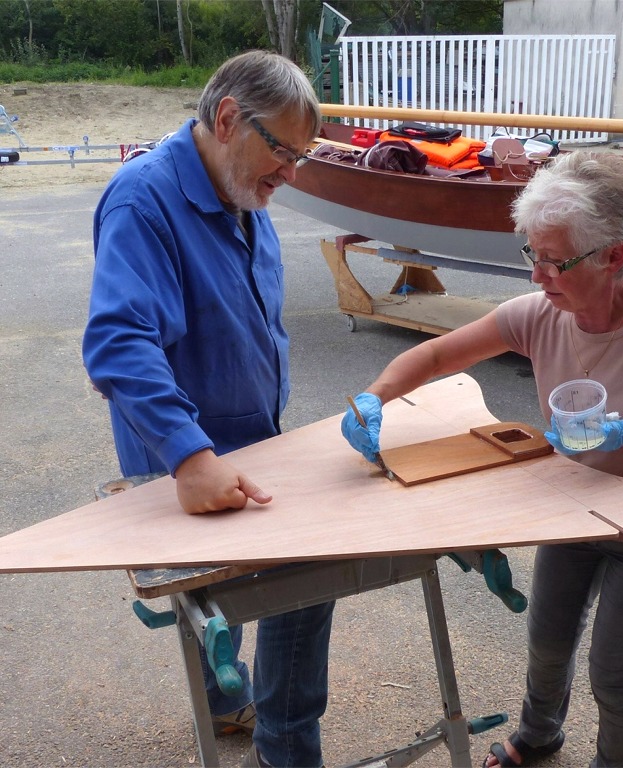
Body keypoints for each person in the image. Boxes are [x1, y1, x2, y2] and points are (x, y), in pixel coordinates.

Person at [341, 151, 623, 767]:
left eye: (554, 260)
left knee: (614, 677)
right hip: (571, 512)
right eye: (532, 255)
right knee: (546, 645)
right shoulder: (541, 315)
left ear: (615, 255)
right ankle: (538, 735)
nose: (537, 275)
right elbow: (438, 358)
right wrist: (373, 397)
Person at [83, 50, 333, 768]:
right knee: (293, 588)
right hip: (185, 458)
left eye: (301, 158)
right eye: (284, 151)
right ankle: (280, 745)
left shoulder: (240, 189)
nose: (291, 174)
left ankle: (249, 719)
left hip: (254, 439)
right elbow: (120, 340)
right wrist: (190, 459)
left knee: (289, 588)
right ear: (228, 119)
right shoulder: (144, 200)